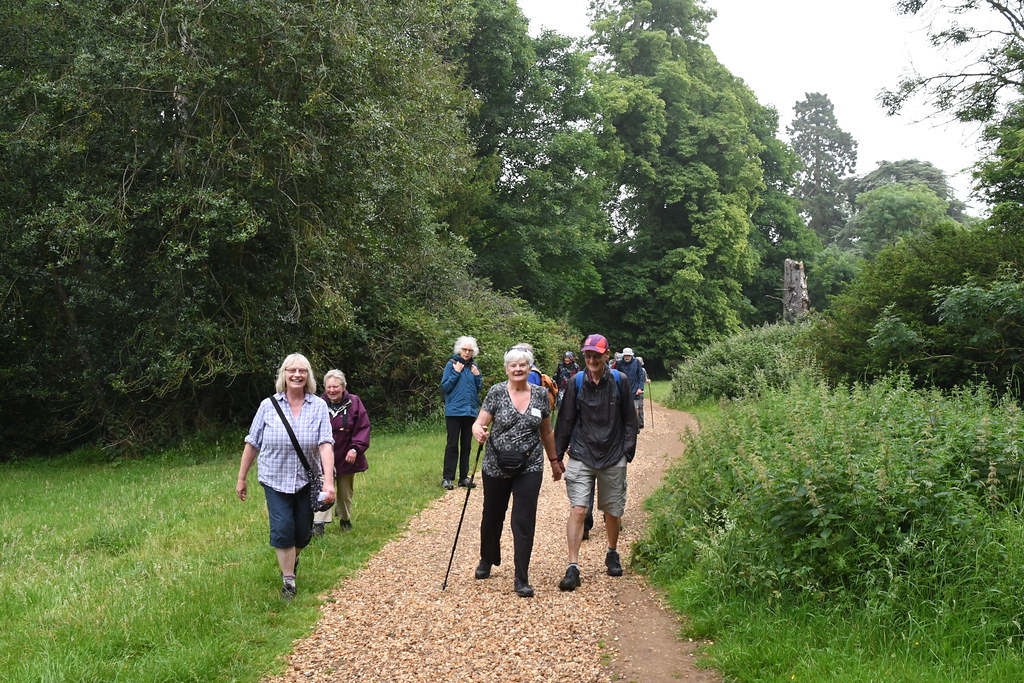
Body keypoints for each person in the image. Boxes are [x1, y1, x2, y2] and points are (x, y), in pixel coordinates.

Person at [236, 353, 335, 601]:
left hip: (307, 480)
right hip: (274, 478)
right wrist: (242, 478)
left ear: (308, 376)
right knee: (282, 528)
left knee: (303, 533)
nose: (297, 375)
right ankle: (288, 581)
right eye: (292, 370)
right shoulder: (268, 406)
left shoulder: (318, 406)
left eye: (302, 371)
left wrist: (328, 482)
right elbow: (252, 442)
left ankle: (292, 558)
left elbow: (325, 444)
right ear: (284, 374)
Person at [472, 346, 561, 598]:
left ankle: (521, 577)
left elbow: (546, 431)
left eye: (522, 365)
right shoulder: (496, 392)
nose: (518, 369)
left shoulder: (541, 394)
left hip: (530, 465)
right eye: (513, 365)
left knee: (523, 520)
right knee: (492, 515)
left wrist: (554, 461)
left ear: (529, 368)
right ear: (506, 369)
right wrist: (478, 431)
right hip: (495, 465)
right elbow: (480, 422)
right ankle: (487, 558)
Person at [553, 334, 637, 592]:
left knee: (612, 511)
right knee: (579, 509)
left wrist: (626, 453)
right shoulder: (577, 382)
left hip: (613, 455)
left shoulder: (620, 381)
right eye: (588, 355)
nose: (591, 359)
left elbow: (630, 421)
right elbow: (565, 420)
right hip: (581, 453)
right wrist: (556, 457)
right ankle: (573, 566)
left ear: (606, 355)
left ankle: (612, 551)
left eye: (596, 355)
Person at [312, 369, 371, 536]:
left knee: (345, 492)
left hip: (347, 455)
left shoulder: (354, 402)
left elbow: (363, 427)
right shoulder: (318, 404)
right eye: (329, 387)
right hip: (323, 456)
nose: (332, 390)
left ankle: (345, 519)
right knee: (323, 488)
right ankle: (319, 523)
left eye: (335, 387)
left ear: (343, 387)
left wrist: (355, 448)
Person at [441, 336, 483, 490]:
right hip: (454, 411)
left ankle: (463, 478)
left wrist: (477, 376)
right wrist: (456, 372)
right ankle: (447, 478)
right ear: (459, 350)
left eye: (470, 350)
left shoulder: (474, 366)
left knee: (466, 445)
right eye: (464, 349)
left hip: (470, 411)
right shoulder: (451, 364)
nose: (467, 353)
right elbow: (445, 387)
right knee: (452, 445)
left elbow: (478, 389)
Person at [617, 347, 650, 429]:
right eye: (625, 356)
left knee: (635, 407)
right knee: (623, 407)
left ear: (631, 355)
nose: (627, 357)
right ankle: (624, 425)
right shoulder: (620, 363)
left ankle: (635, 425)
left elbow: (640, 376)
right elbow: (617, 376)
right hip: (624, 388)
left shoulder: (637, 362)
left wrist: (640, 388)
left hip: (635, 388)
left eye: (628, 355)